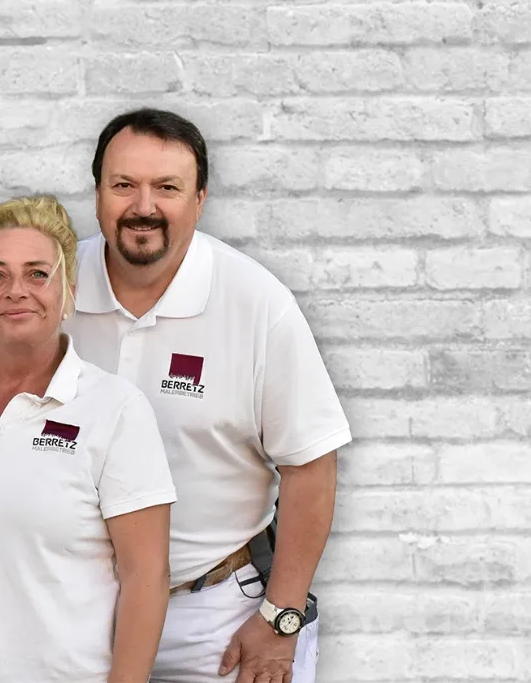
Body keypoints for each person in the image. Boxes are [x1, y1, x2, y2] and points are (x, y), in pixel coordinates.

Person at [66, 109, 352, 683]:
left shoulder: (257, 303)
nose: (143, 205)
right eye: (124, 184)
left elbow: (311, 465)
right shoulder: (52, 287)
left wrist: (281, 617)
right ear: (97, 192)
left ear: (200, 199)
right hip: (76, 613)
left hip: (213, 617)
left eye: (166, 188)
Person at [0, 195, 175, 683]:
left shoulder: (115, 409)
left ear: (68, 291)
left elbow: (146, 578)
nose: (15, 290)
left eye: (37, 274)